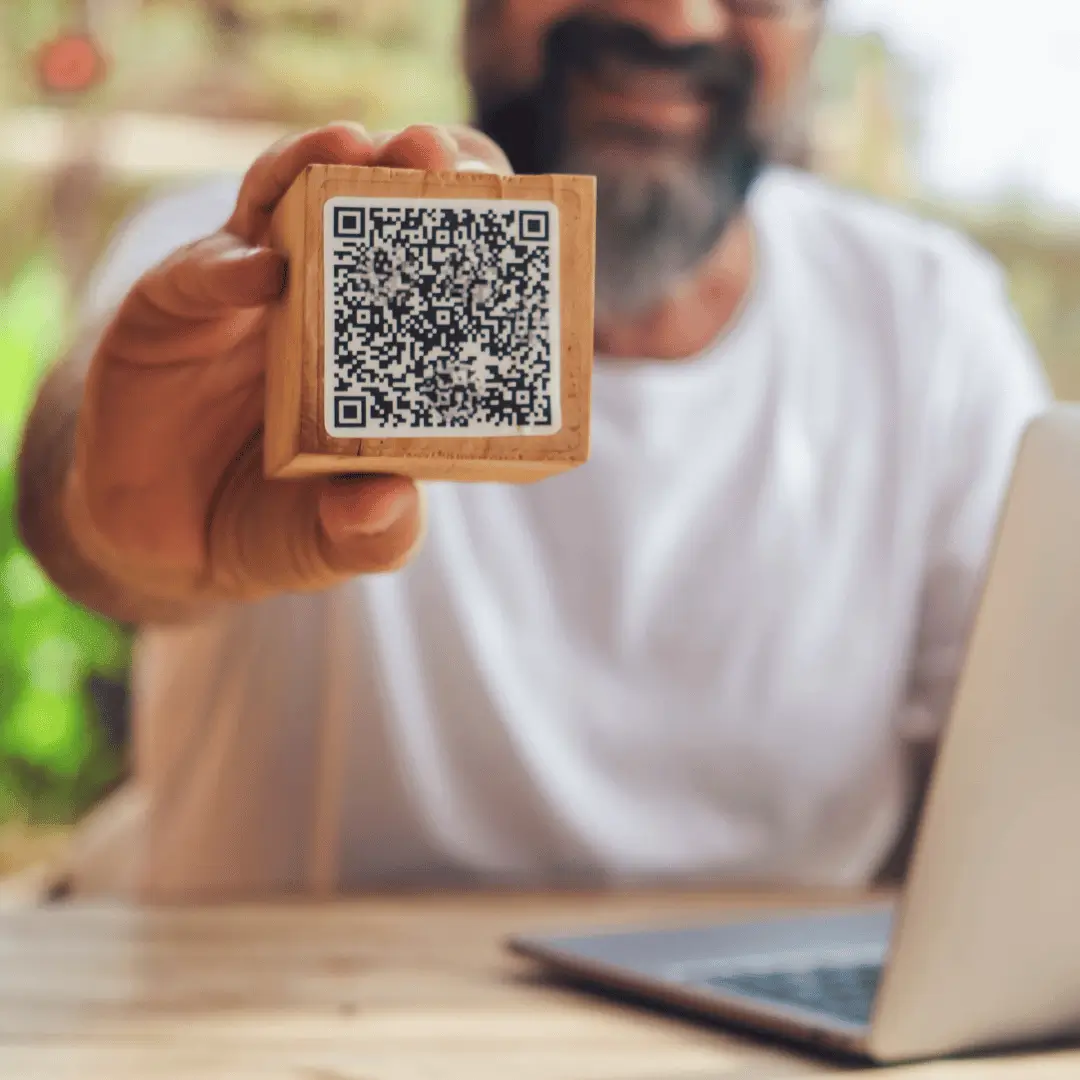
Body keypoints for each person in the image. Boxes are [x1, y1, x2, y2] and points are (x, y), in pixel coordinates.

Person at [16, 0, 1051, 901]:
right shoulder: (272, 246)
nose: (675, 17)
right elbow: (87, 472)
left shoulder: (927, 317)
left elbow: (1027, 753)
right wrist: (119, 515)